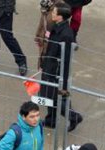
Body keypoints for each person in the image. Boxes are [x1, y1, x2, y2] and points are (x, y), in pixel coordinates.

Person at [40, 2, 82, 130]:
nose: (52, 14)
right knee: (48, 94)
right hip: (49, 66)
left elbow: (66, 59)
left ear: (60, 17)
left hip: (56, 71)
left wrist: (62, 80)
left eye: (54, 12)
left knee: (56, 97)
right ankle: (51, 119)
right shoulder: (56, 26)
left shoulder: (66, 35)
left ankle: (74, 117)